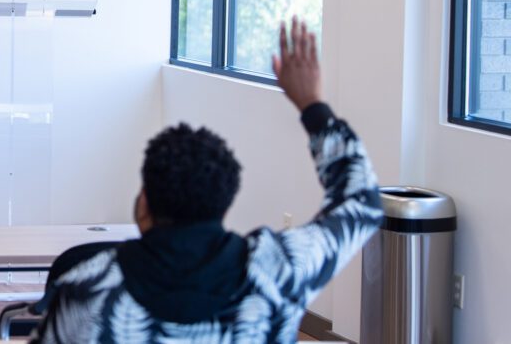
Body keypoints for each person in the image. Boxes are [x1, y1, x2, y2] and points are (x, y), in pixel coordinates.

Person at [30, 18, 384, 343]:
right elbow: (362, 203)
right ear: (225, 202)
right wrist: (312, 106)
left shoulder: (85, 292)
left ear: (143, 205)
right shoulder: (277, 273)